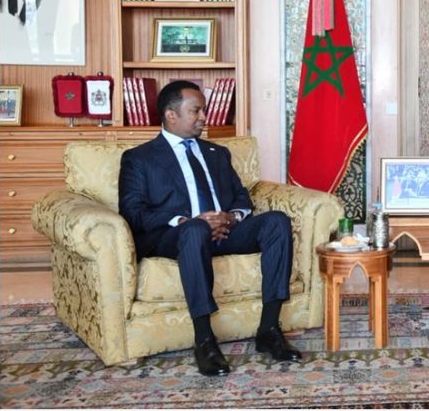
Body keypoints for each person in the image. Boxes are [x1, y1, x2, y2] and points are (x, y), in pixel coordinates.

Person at [118, 80, 300, 376]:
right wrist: (188, 221)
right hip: (175, 235)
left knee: (277, 221)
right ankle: (204, 340)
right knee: (195, 231)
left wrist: (231, 218)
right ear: (171, 115)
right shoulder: (139, 158)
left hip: (224, 230)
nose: (205, 117)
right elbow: (132, 210)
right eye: (196, 111)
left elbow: (242, 198)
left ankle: (269, 329)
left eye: (204, 110)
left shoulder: (217, 152)